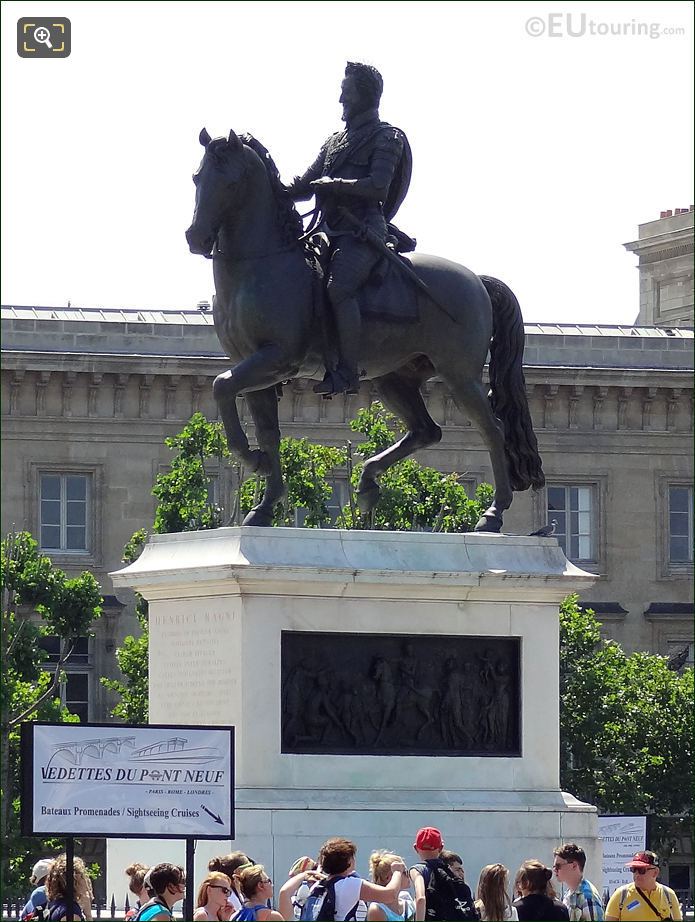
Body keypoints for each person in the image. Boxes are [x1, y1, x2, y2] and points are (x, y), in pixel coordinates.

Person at [287, 61, 411, 396]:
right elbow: (305, 184)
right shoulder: (334, 141)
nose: (341, 98)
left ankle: (347, 371)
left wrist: (335, 183)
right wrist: (271, 185)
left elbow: (378, 187)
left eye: (347, 92)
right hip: (327, 230)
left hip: (362, 230)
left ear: (364, 96)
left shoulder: (387, 137)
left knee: (338, 288)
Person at [301, 837, 408, 921]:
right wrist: (397, 872)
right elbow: (389, 895)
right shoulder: (349, 885)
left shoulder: (319, 885)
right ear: (348, 861)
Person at [409, 826, 477, 921]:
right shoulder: (448, 869)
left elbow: (420, 899)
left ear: (415, 848)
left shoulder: (417, 869)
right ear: (441, 848)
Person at [604, 851, 681, 921]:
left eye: (641, 870)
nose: (636, 874)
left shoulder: (668, 895)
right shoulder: (621, 895)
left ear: (655, 873)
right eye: (634, 869)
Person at [552, 844, 604, 921]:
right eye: (554, 867)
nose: (554, 870)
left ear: (574, 866)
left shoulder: (587, 897)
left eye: (558, 866)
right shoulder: (569, 893)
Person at [367, 851, 415, 921]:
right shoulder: (377, 909)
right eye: (404, 872)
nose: (408, 875)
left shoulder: (407, 902)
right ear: (388, 878)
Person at [44, 854, 91, 921]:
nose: (85, 880)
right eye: (82, 876)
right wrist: (88, 916)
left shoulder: (57, 904)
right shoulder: (71, 912)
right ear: (76, 880)